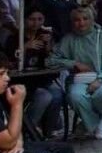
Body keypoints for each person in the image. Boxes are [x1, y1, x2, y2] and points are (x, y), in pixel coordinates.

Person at [48, 7, 102, 139]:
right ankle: (97, 123)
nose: (81, 23)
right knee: (75, 96)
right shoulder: (69, 39)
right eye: (77, 20)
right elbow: (51, 60)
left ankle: (86, 124)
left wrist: (99, 80)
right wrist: (74, 63)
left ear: (92, 20)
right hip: (79, 79)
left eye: (85, 19)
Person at [9, 8, 63, 136]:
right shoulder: (15, 38)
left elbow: (52, 59)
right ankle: (28, 130)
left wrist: (49, 45)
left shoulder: (45, 35)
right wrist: (24, 47)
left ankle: (49, 130)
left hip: (42, 77)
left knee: (57, 93)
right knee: (44, 96)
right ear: (24, 20)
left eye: (40, 19)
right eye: (32, 19)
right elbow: (10, 61)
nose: (36, 23)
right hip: (22, 80)